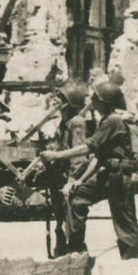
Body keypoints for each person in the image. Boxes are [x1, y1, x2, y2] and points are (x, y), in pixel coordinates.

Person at [36, 79, 138, 261]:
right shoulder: (106, 120)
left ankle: (131, 263)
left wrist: (56, 156)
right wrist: (80, 181)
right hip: (109, 173)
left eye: (95, 98)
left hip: (120, 176)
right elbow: (99, 157)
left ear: (105, 102)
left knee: (124, 222)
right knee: (77, 196)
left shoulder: (113, 121)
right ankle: (77, 252)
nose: (91, 100)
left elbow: (88, 148)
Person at [19, 81, 88, 257]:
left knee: (72, 218)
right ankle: (62, 252)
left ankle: (76, 253)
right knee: (60, 217)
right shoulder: (63, 123)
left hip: (69, 177)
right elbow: (58, 147)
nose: (56, 100)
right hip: (58, 175)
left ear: (70, 102)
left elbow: (79, 158)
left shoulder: (76, 122)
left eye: (61, 97)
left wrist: (72, 181)